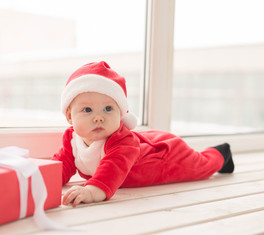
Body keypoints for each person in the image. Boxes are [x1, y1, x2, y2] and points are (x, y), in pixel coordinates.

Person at [52, 61, 234, 207]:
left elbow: (112, 169)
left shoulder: (122, 142)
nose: (98, 117)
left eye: (108, 108)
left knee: (201, 166)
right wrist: (45, 180)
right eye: (87, 109)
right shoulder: (72, 139)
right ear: (69, 116)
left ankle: (221, 153)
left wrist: (91, 191)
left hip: (165, 156)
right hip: (148, 144)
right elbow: (63, 165)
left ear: (121, 112)